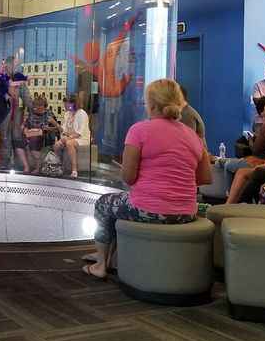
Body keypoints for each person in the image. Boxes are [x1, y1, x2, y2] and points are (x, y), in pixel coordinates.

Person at [82, 79, 210, 279]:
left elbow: (128, 177)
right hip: (186, 212)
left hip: (148, 209)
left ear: (150, 104)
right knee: (120, 203)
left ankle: (100, 263)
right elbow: (204, 177)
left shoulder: (139, 130)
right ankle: (112, 256)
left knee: (104, 203)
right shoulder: (193, 136)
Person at [0, 59, 32, 169]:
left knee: (16, 137)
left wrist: (32, 110)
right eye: (10, 65)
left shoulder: (18, 80)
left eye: (14, 65)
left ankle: (17, 165)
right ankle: (5, 164)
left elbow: (26, 97)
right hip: (4, 113)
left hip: (16, 113)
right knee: (5, 138)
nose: (12, 67)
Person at [54, 94, 90, 178]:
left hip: (82, 138)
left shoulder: (82, 114)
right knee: (56, 145)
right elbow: (64, 129)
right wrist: (62, 136)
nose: (65, 106)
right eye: (65, 104)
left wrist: (68, 138)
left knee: (69, 143)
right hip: (69, 137)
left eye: (67, 104)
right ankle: (58, 167)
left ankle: (74, 170)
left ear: (74, 103)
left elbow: (79, 132)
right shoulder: (67, 114)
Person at [24, 96, 60, 174]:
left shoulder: (49, 114)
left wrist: (47, 128)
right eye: (36, 105)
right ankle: (32, 165)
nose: (38, 107)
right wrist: (26, 130)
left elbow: (57, 128)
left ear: (45, 105)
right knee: (21, 140)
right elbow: (26, 125)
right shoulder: (31, 113)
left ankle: (38, 167)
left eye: (40, 105)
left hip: (45, 135)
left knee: (34, 140)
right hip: (31, 134)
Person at [177, 84, 206, 148]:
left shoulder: (187, 115)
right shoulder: (184, 112)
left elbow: (188, 142)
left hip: (195, 155)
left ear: (180, 96)